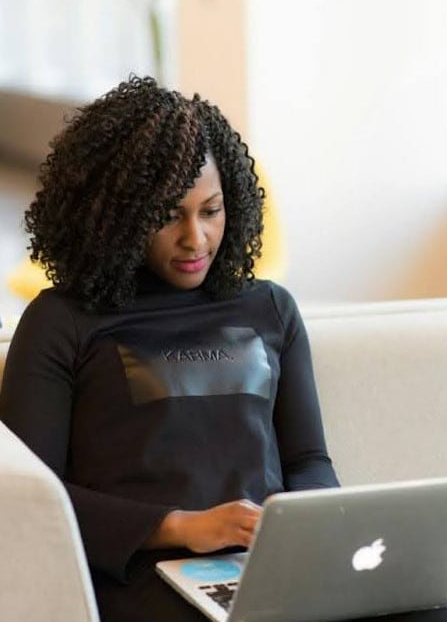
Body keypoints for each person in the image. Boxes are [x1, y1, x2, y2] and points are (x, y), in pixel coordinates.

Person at [0, 76, 339, 622]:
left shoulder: (270, 309)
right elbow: (28, 502)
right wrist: (182, 525)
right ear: (118, 215)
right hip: (146, 579)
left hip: (269, 570)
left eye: (211, 210)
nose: (195, 239)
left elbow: (307, 460)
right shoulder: (61, 322)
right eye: (167, 215)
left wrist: (313, 522)